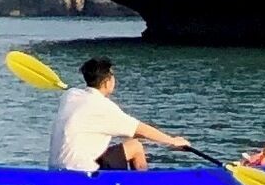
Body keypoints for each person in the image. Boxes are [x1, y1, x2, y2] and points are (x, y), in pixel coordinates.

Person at [49, 56, 191, 174]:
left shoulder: (70, 95)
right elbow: (140, 130)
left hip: (56, 169)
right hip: (81, 171)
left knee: (127, 143)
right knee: (135, 146)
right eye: (112, 76)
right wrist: (172, 141)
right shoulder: (104, 107)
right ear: (106, 82)